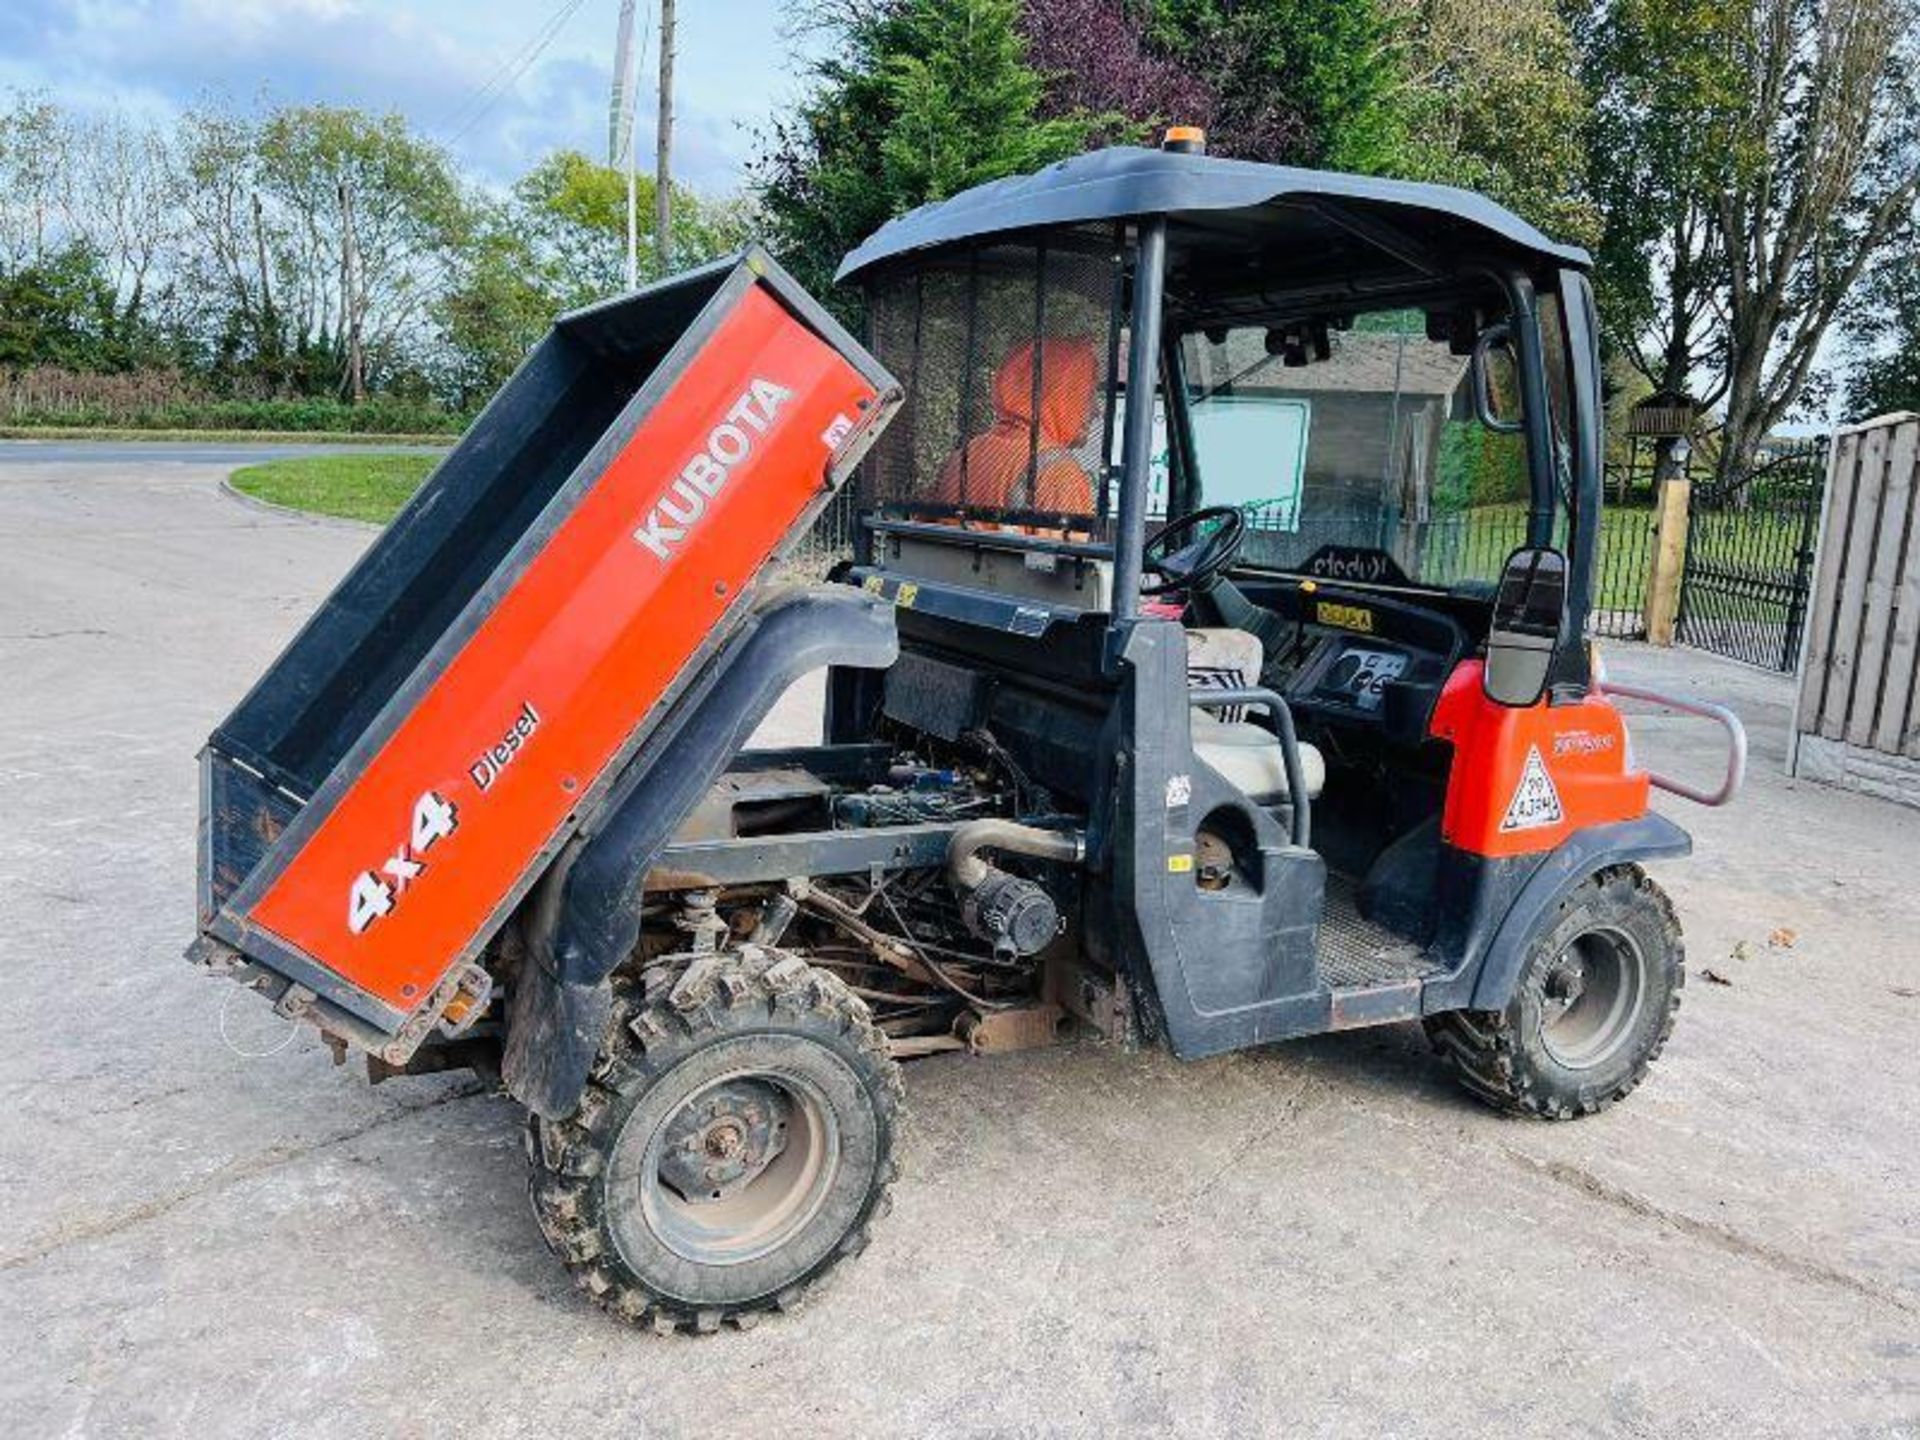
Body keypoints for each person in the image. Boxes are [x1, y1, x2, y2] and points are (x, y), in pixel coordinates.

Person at [933, 337, 1098, 517]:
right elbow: (1065, 544)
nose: (1096, 411)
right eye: (1088, 396)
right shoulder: (1060, 475)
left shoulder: (963, 457)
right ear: (1060, 396)